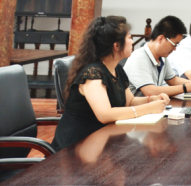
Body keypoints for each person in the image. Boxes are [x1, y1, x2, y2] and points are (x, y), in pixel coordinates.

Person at [52, 16, 169, 151]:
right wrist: (149, 108)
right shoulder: (92, 73)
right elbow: (105, 115)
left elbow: (130, 101)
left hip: (100, 141)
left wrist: (151, 99)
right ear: (116, 45)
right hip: (75, 147)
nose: (132, 42)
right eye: (129, 37)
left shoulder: (117, 69)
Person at [124, 15, 191, 97]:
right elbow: (150, 91)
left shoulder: (162, 57)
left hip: (152, 104)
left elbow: (173, 80)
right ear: (160, 39)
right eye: (174, 44)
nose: (174, 49)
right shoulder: (139, 58)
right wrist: (187, 87)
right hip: (136, 105)